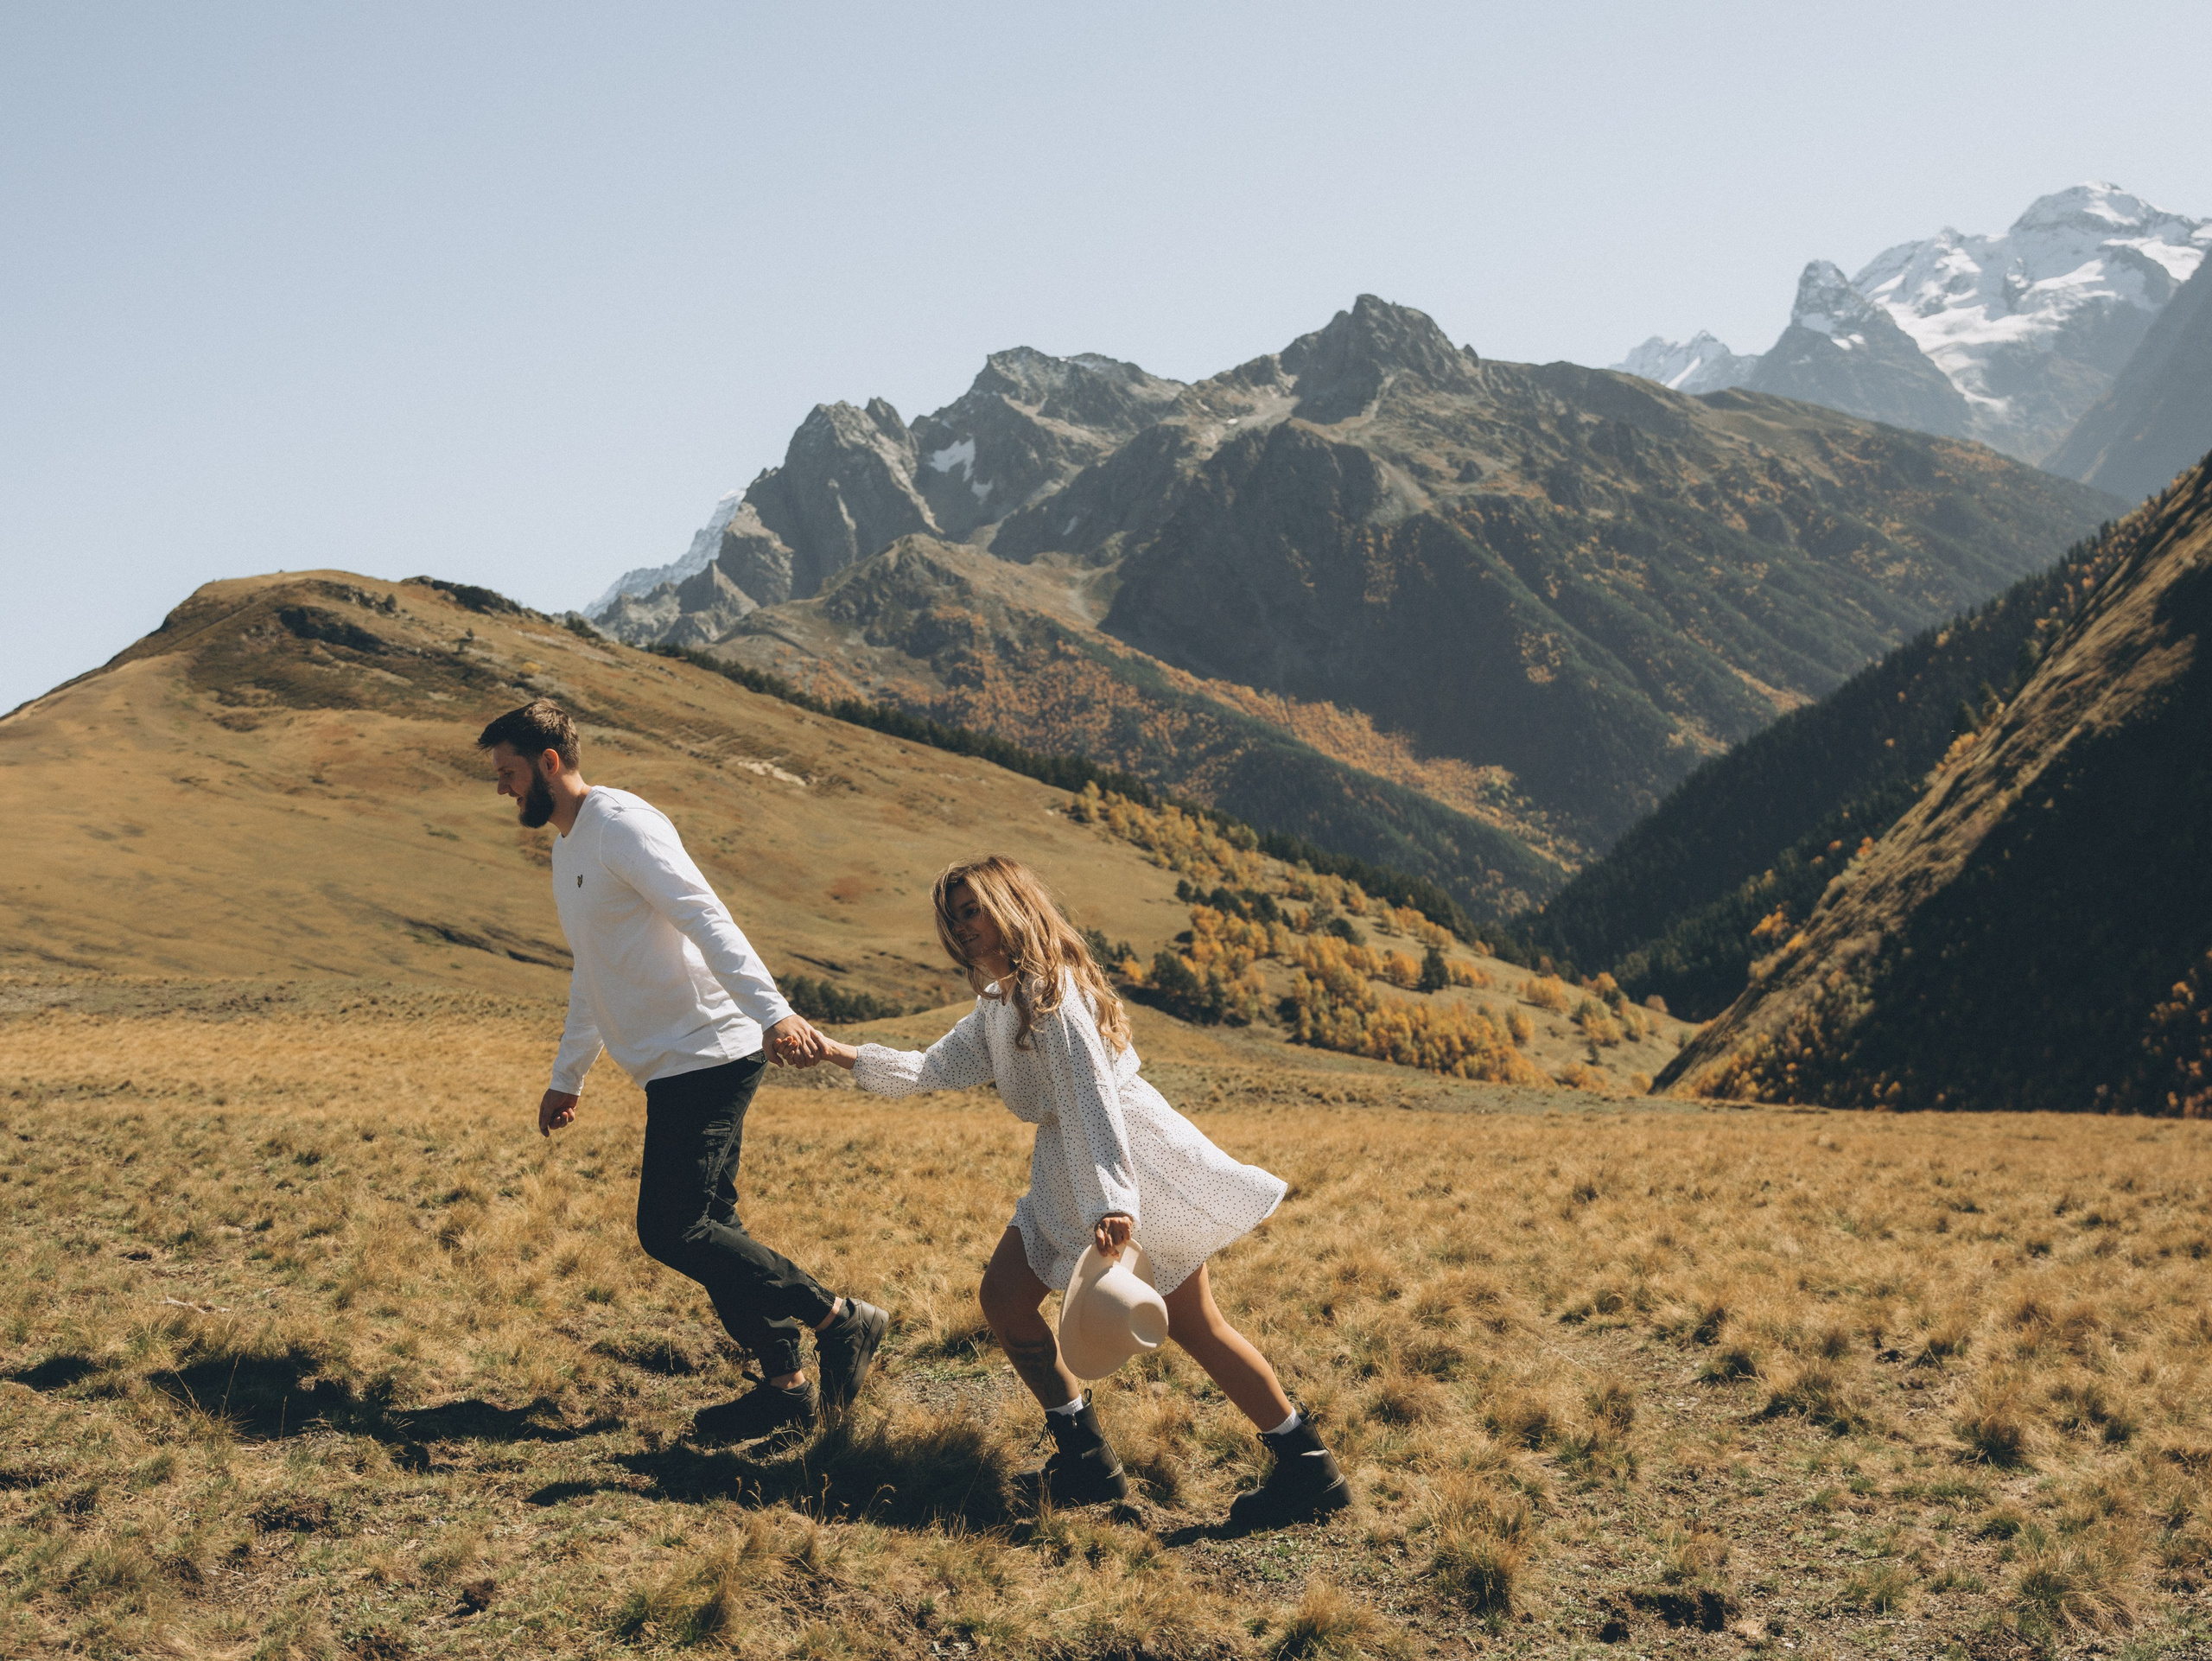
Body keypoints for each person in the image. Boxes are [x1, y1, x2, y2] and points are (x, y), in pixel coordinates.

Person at [782, 855, 1350, 1526]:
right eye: (952, 917)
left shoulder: (1051, 991)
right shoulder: (1000, 1000)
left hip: (1130, 1161)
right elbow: (934, 1067)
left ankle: (1307, 1466)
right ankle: (1086, 1462)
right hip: (1067, 1166)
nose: (961, 927)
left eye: (972, 910)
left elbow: (1090, 1095)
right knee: (1005, 1299)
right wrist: (835, 1052)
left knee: (1196, 1326)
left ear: (1009, 906)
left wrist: (1113, 1202)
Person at [480, 697, 887, 1443]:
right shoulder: (569, 850)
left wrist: (774, 1013)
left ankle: (839, 1319)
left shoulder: (622, 826)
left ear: (548, 763)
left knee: (674, 1227)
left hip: (710, 1049)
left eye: (508, 772)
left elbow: (706, 916)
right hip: (668, 1062)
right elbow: (592, 968)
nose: (501, 787)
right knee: (712, 1227)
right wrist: (569, 1074)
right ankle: (786, 1389)